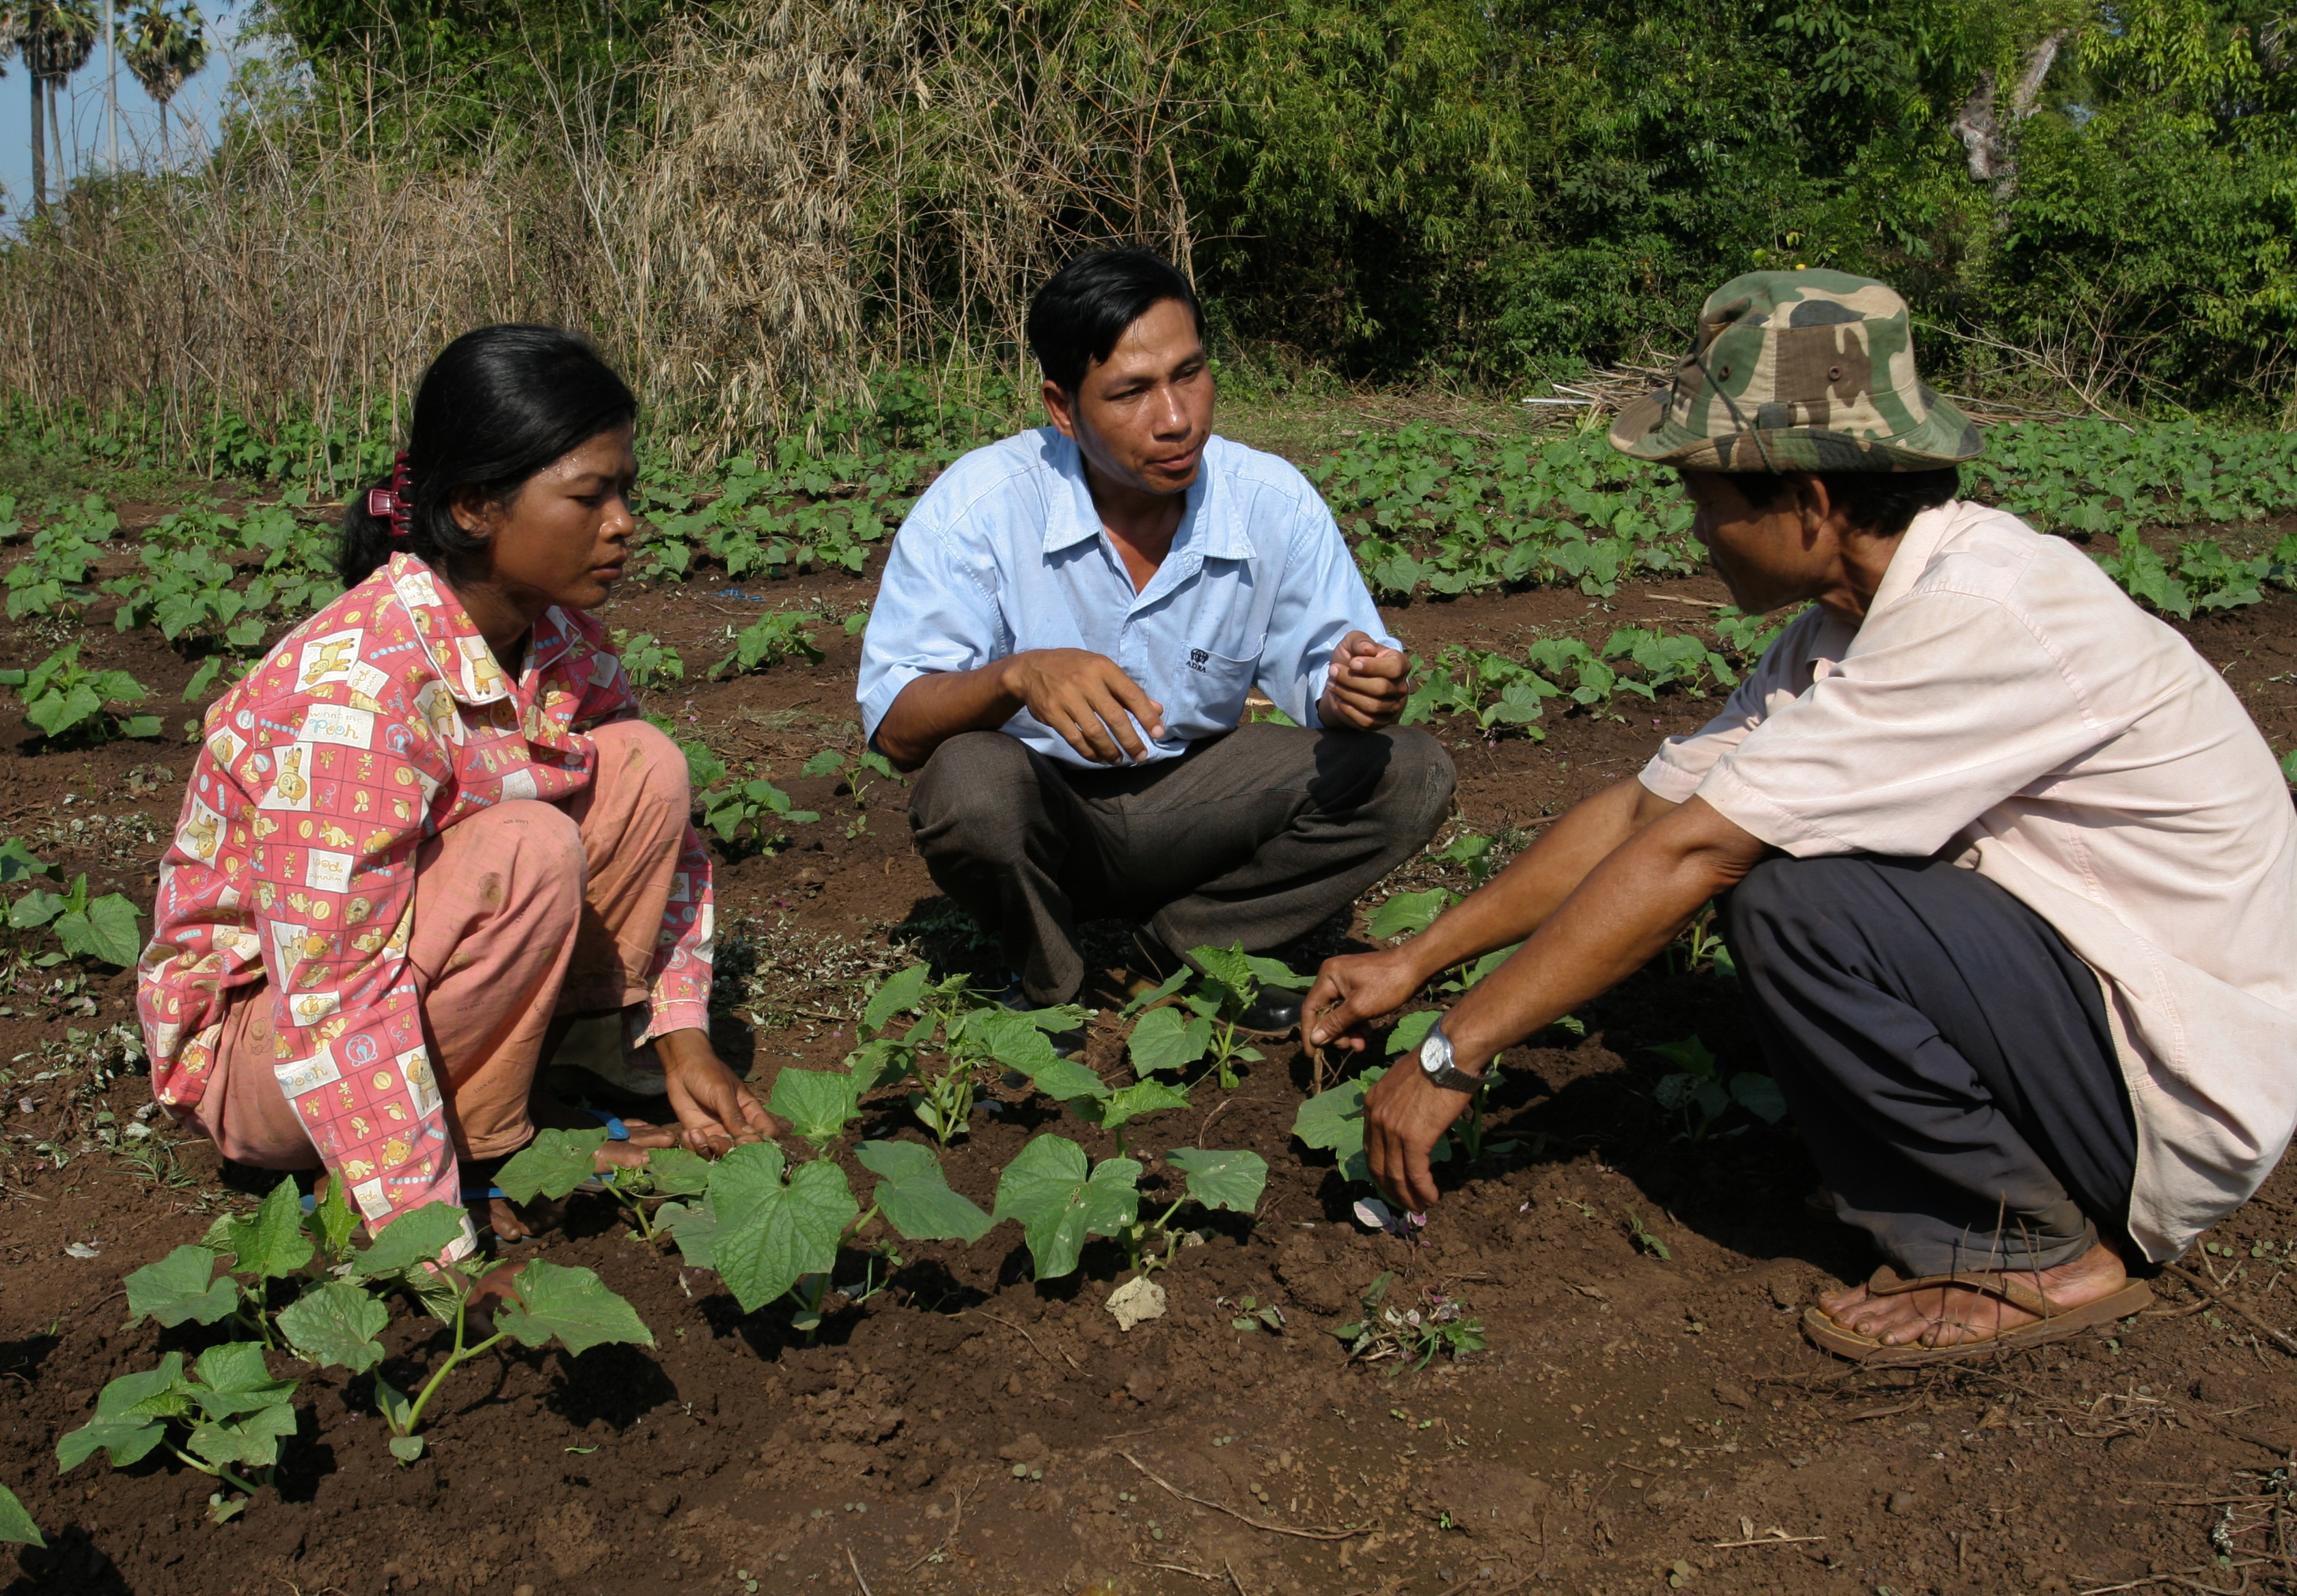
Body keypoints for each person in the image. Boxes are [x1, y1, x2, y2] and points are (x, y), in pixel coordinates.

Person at [1302, 269, 2297, 1364]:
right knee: (1784, 878)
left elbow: (1694, 852)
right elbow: (1649, 806)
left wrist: (1454, 1052)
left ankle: (2028, 1250)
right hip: (2092, 1011)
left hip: (2174, 1091)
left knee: (1791, 898)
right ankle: (1978, 1173)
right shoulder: (1845, 621)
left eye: (1708, 497)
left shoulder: (1979, 613)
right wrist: (1415, 960)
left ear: (1812, 505)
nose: (1695, 529)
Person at [139, 325, 776, 1293]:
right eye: (589, 495)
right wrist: (435, 1241)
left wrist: (684, 1033)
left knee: (642, 766)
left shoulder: (562, 641)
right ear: (476, 506)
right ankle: (470, 1159)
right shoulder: (356, 695)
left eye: (626, 491)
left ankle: (574, 1072)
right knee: (524, 847)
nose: (624, 524)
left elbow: (668, 844)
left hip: (401, 982)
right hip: (265, 1052)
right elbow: (331, 994)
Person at [857, 249, 1456, 1036]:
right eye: (1131, 391)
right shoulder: (981, 508)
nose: (1176, 418)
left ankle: (1181, 948)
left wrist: (1356, 690)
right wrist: (1016, 676)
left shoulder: (1269, 502)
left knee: (1408, 771)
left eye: (1190, 373)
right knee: (969, 783)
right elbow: (898, 728)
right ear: (1063, 407)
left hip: (1198, 808)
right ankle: (1050, 981)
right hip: (1047, 814)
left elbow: (1330, 667)